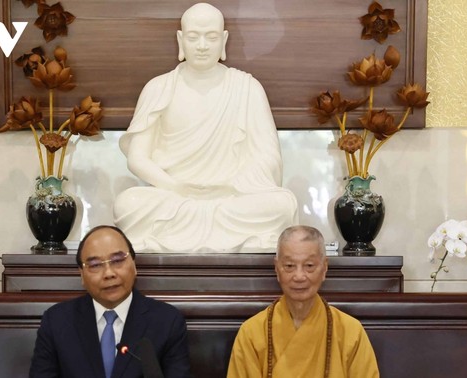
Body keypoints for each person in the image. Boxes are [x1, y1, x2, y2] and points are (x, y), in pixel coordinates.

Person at [113, 2, 298, 253]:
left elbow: (269, 159)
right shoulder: (159, 88)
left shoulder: (247, 88)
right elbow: (137, 158)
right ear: (180, 39)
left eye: (210, 38)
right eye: (193, 37)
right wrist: (175, 187)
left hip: (232, 196)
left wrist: (230, 184)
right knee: (129, 203)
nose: (201, 46)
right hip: (174, 196)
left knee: (282, 205)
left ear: (223, 41)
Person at [29, 225, 192, 378]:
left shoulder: (167, 322)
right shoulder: (57, 322)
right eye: (95, 265)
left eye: (118, 261)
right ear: (82, 275)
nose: (108, 273)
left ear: (134, 266)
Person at [227, 225, 380, 378]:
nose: (299, 276)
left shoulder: (350, 332)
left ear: (324, 267)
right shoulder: (252, 333)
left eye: (309, 266)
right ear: (277, 268)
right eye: (289, 266)